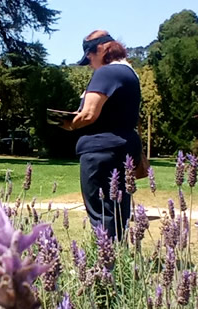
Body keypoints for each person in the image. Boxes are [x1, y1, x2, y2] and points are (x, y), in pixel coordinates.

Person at [62, 30, 142, 240]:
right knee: (117, 208)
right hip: (123, 147)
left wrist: (67, 123)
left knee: (101, 210)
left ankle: (106, 265)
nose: (89, 61)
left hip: (101, 151)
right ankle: (117, 258)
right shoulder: (130, 73)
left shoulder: (107, 73)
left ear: (102, 49)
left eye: (89, 55)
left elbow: (88, 114)